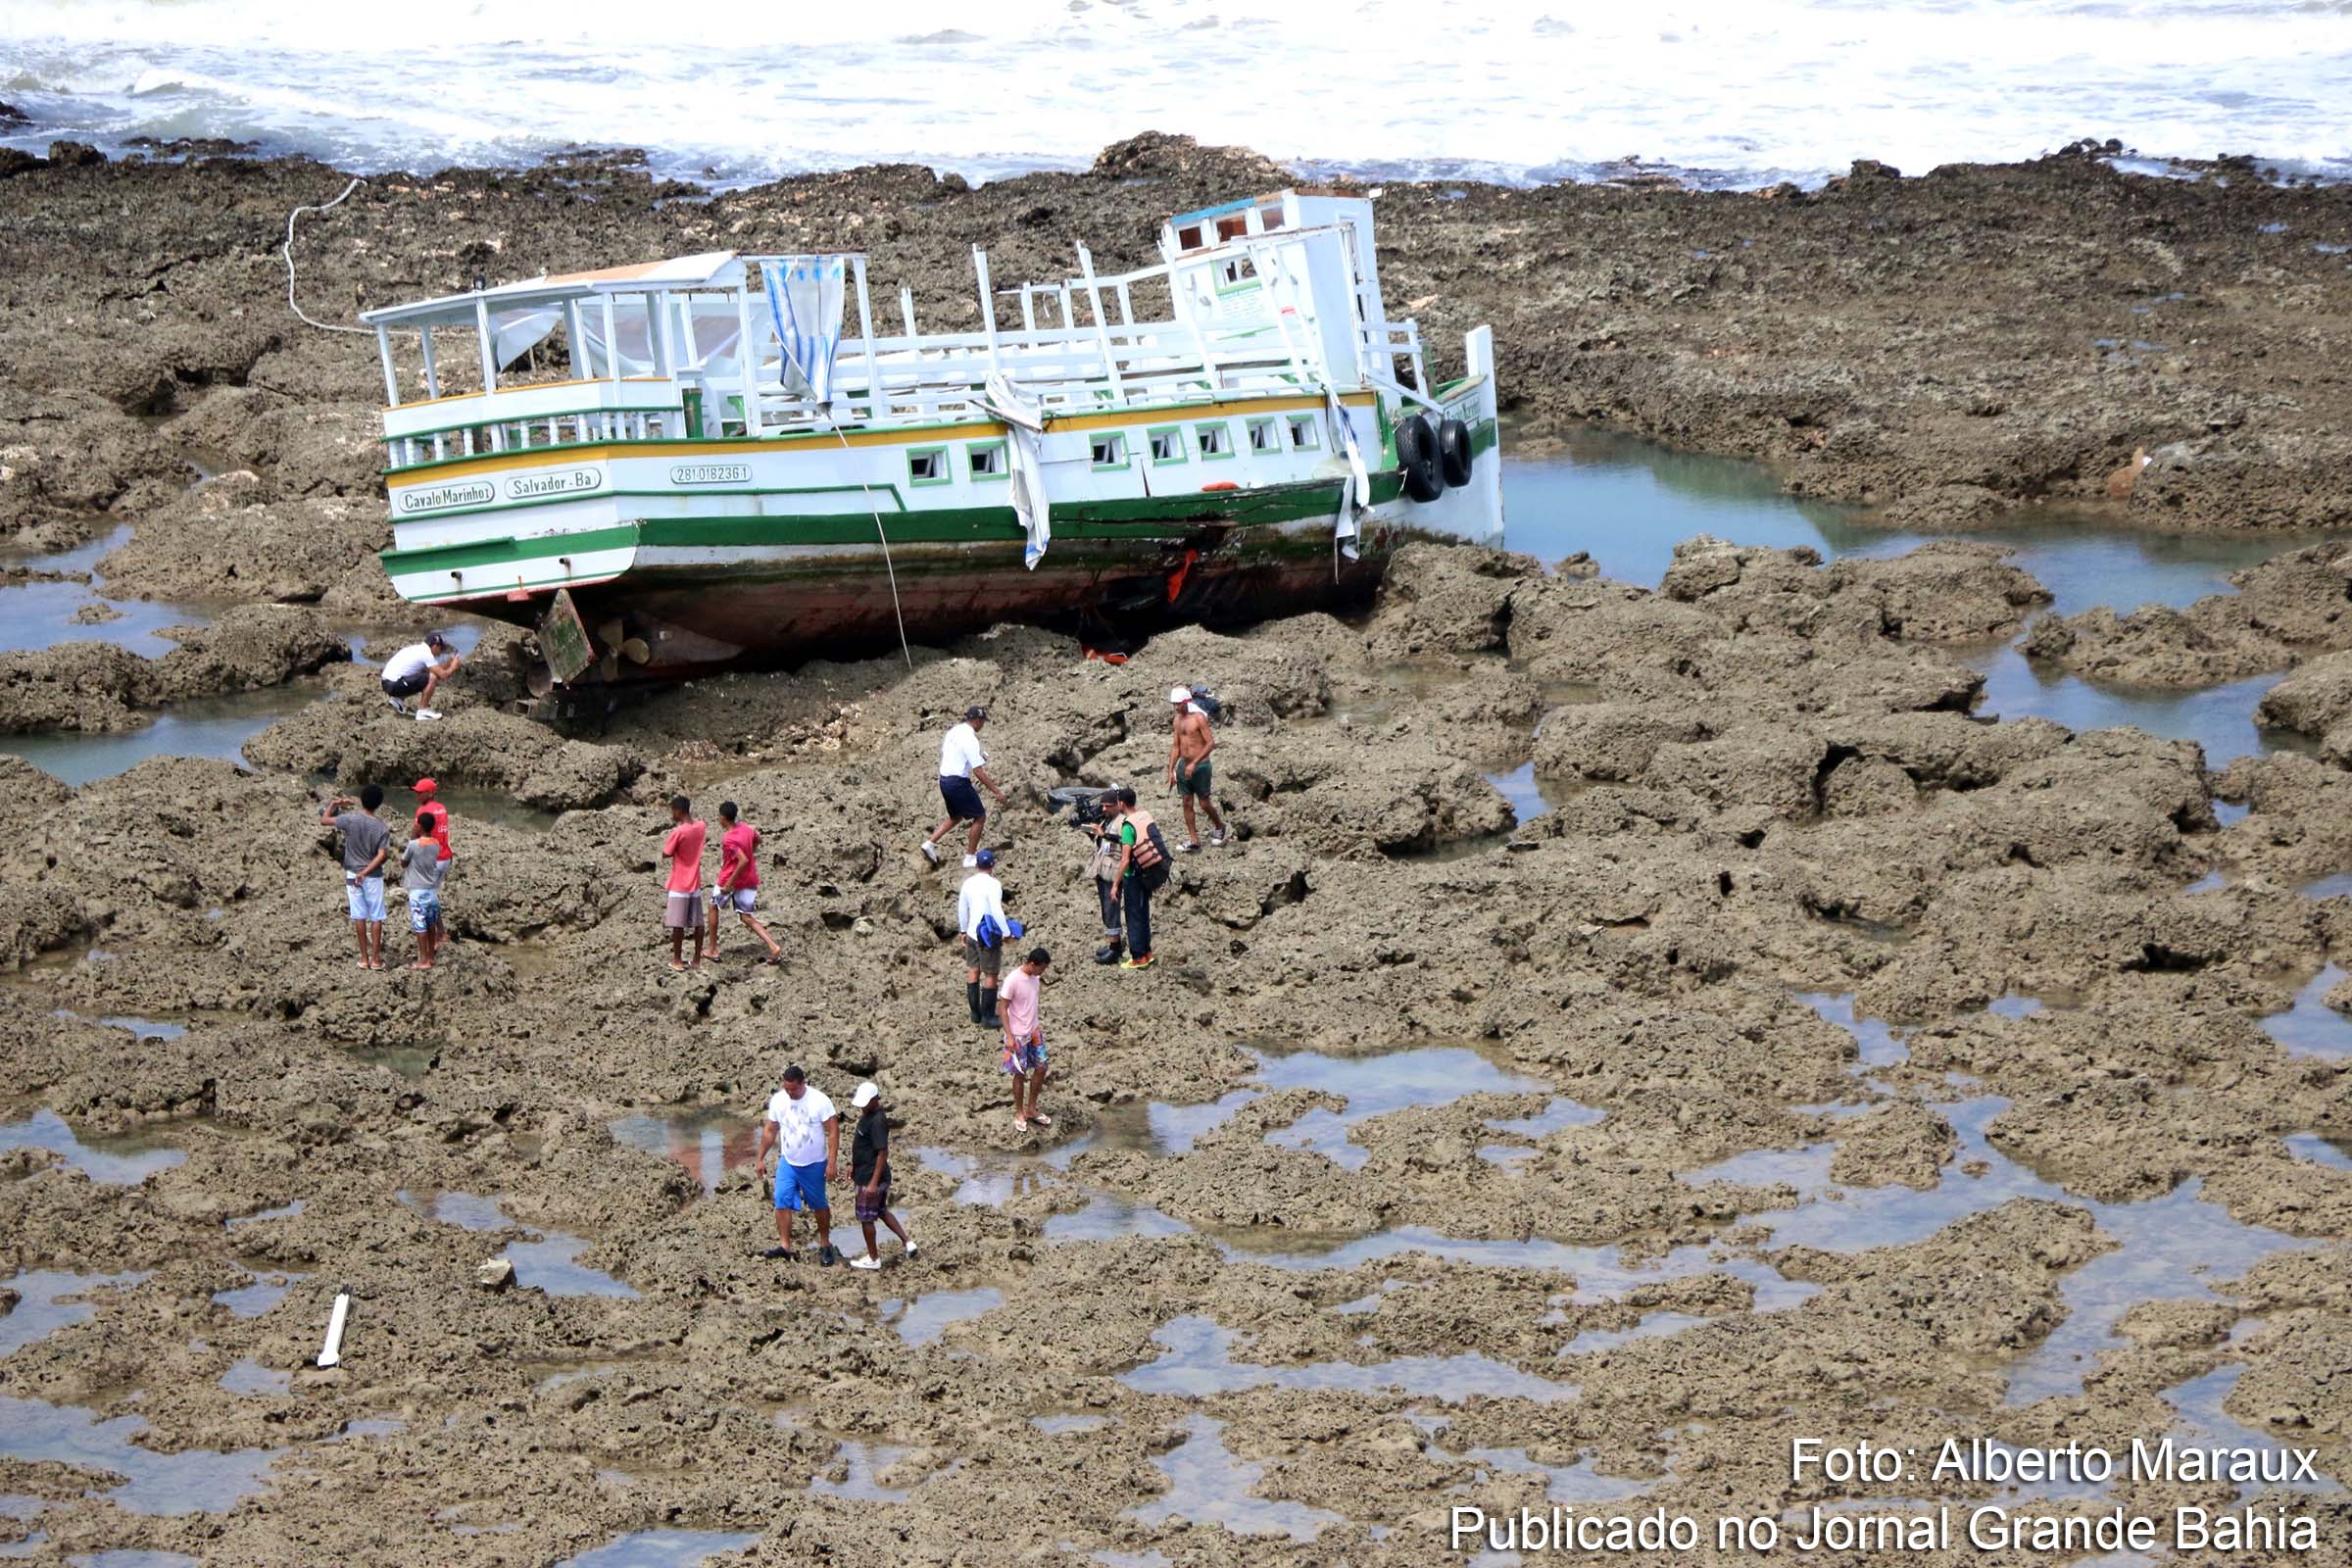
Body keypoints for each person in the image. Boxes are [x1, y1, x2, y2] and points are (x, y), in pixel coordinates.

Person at [756, 1065, 840, 1265]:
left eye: (794, 1089)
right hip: (789, 1161)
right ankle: (785, 1246)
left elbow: (833, 1132)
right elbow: (770, 1130)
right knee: (781, 1200)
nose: (790, 1093)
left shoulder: (820, 1101)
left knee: (819, 1204)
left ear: (803, 1083)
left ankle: (825, 1244)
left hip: (814, 1164)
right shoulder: (778, 1100)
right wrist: (760, 1158)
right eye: (787, 1089)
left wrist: (832, 1162)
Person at [922, 705, 1009, 869]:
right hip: (958, 782)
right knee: (980, 816)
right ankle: (970, 857)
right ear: (976, 720)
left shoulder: (954, 732)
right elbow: (978, 772)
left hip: (944, 780)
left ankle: (929, 843)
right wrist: (997, 792)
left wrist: (977, 758)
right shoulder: (970, 739)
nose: (983, 725)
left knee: (956, 816)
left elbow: (954, 754)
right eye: (982, 721)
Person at [319, 786, 390, 971]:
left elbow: (324, 820)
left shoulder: (350, 819)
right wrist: (366, 872)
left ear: (361, 800)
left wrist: (334, 803)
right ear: (379, 803)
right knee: (376, 916)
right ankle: (376, 960)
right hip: (372, 876)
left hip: (352, 873)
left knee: (359, 915)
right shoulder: (381, 827)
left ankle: (364, 959)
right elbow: (382, 855)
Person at [846, 1080, 914, 1270]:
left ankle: (874, 1258)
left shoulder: (876, 1121)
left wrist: (873, 1183)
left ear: (875, 1100)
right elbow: (863, 1147)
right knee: (881, 1211)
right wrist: (854, 1165)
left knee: (866, 1218)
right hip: (866, 1171)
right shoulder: (868, 1116)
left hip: (870, 1177)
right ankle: (907, 1242)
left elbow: (882, 1152)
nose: (862, 1107)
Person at [706, 801, 781, 964]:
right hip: (749, 879)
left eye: (719, 817)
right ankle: (773, 946)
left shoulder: (728, 839)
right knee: (746, 917)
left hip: (730, 879)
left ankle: (712, 950)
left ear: (724, 818)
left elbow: (743, 860)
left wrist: (729, 884)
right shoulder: (746, 828)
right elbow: (758, 839)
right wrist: (751, 850)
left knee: (713, 907)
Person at [1108, 787, 1169, 970]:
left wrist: (1115, 884)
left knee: (1133, 916)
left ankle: (1137, 958)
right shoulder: (1144, 815)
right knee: (1143, 913)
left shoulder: (1127, 825)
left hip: (1133, 876)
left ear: (1121, 803)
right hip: (1148, 873)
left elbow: (1126, 859)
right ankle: (1147, 953)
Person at [1165, 686, 1227, 851]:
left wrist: (1194, 763)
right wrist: (1171, 770)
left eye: (1178, 704)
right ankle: (1194, 840)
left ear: (1186, 702)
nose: (1176, 707)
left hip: (1201, 766)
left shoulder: (1198, 718)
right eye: (1174, 704)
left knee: (1204, 803)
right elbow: (1176, 746)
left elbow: (1210, 743)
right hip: (1183, 766)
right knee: (1186, 802)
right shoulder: (1177, 721)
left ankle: (1220, 826)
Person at [999, 948, 1053, 1131]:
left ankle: (1031, 1108)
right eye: (1041, 968)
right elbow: (1003, 1008)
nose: (1042, 973)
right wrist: (1010, 1037)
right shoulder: (1012, 980)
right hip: (1017, 1035)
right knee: (1020, 1073)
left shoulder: (1035, 979)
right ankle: (1019, 1112)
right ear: (1032, 964)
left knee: (1042, 1066)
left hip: (1034, 1031)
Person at [956, 848, 1010, 1029]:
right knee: (991, 973)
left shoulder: (968, 884)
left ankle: (975, 1013)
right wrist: (1006, 931)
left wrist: (963, 930)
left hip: (972, 931)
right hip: (987, 934)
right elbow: (996, 910)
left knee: (973, 969)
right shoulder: (994, 885)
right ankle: (988, 1017)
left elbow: (962, 908)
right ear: (992, 865)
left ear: (977, 864)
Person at [661, 795, 707, 972]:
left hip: (680, 882)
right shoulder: (701, 827)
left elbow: (666, 852)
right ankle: (696, 959)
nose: (672, 814)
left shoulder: (678, 832)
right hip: (695, 881)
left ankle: (677, 960)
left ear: (679, 811)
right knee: (698, 922)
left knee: (677, 924)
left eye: (673, 810)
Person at [381, 631, 462, 721]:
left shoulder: (417, 649)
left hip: (386, 683)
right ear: (435, 646)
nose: (440, 652)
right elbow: (443, 676)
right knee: (432, 678)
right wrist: (454, 667)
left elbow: (434, 671)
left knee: (423, 675)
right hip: (394, 684)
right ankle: (423, 711)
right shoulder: (426, 654)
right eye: (440, 648)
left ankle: (397, 701)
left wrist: (449, 663)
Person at [400, 827, 446, 970]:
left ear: (420, 826)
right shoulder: (436, 844)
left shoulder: (413, 844)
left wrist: (413, 837)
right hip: (431, 890)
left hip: (417, 890)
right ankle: (431, 957)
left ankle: (423, 960)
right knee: (431, 923)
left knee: (420, 925)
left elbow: (403, 863)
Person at [1087, 802, 1125, 965]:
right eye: (1103, 806)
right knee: (1106, 910)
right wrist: (1093, 832)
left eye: (1108, 806)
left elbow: (1125, 841)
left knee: (1111, 909)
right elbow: (1100, 843)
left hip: (1113, 872)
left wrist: (1105, 834)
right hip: (1102, 870)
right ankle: (1112, 943)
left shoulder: (1122, 822)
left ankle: (1115, 948)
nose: (1104, 809)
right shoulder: (1106, 821)